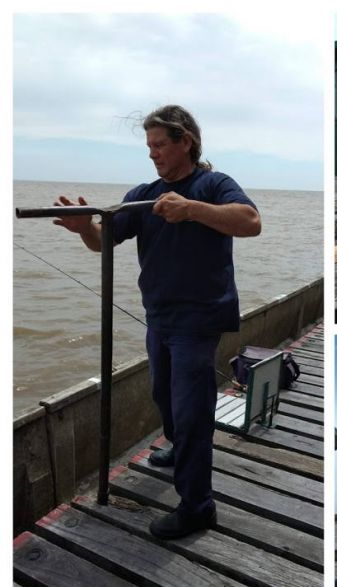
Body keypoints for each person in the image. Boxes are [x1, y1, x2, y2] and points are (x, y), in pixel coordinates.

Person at [53, 105, 261, 540]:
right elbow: (103, 242)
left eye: (161, 145)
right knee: (163, 396)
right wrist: (84, 228)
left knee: (191, 413)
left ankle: (199, 507)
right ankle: (176, 448)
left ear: (186, 141)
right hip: (159, 318)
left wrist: (191, 210)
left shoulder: (213, 184)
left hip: (199, 320)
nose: (154, 154)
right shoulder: (143, 194)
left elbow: (250, 222)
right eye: (149, 146)